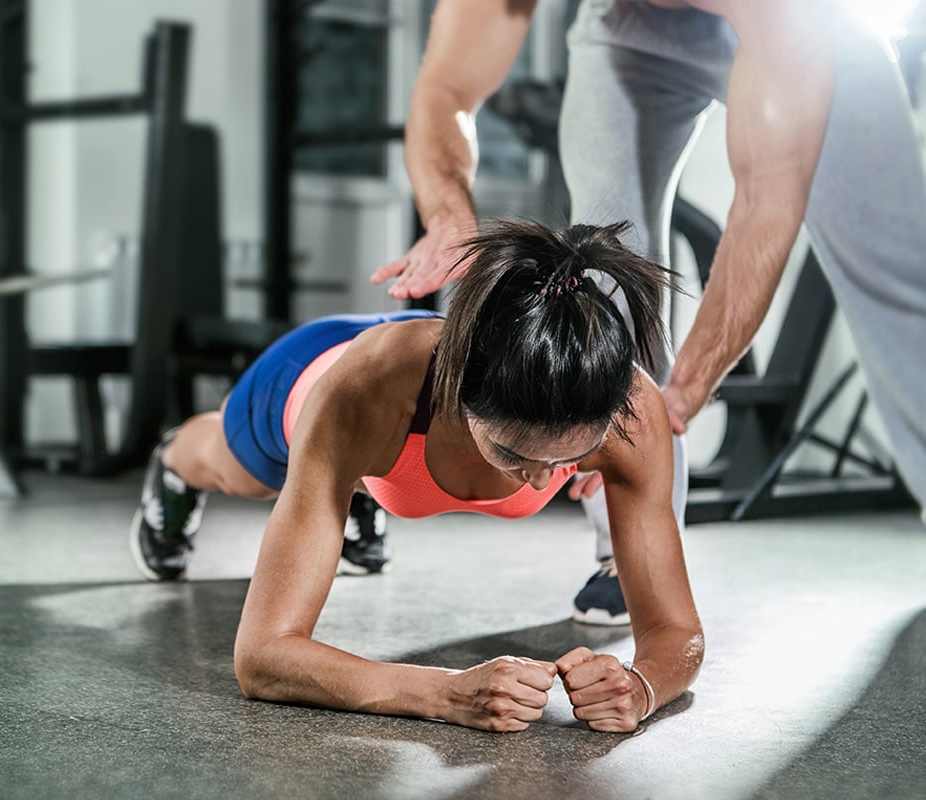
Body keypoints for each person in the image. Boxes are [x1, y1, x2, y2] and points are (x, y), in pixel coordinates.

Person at [373, 0, 926, 622]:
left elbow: (766, 203)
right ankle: (627, 547)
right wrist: (448, 218)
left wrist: (685, 391)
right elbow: (446, 88)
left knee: (900, 278)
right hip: (630, 34)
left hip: (806, 27)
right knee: (606, 265)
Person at [131, 220, 702, 732]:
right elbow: (262, 657)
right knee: (240, 472)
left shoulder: (633, 416)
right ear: (461, 398)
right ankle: (176, 460)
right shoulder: (365, 394)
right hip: (308, 380)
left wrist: (642, 687)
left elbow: (679, 632)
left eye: (566, 459)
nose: (538, 484)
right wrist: (446, 693)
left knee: (344, 485)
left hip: (390, 425)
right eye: (514, 453)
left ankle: (351, 492)